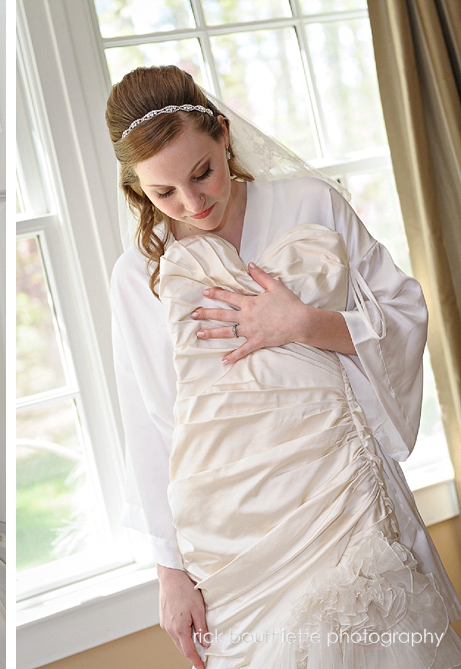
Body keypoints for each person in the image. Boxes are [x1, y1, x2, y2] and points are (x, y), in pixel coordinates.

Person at [106, 65, 461, 668]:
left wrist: (303, 324)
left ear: (223, 135)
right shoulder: (139, 274)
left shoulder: (309, 203)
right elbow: (151, 421)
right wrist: (170, 573)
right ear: (138, 188)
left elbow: (403, 311)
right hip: (237, 532)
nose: (193, 204)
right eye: (164, 193)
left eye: (203, 173)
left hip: (346, 494)